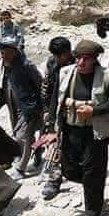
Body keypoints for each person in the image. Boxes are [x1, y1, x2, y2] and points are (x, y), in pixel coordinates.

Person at [40, 40, 109, 216]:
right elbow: (56, 101)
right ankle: (93, 185)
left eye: (86, 59)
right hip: (70, 130)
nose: (81, 63)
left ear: (95, 60)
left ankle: (92, 212)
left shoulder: (106, 76)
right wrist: (51, 128)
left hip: (95, 133)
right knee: (69, 170)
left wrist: (94, 111)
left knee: (93, 172)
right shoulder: (65, 73)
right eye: (78, 58)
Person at [0, 37, 43, 180]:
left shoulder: (27, 65)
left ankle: (21, 168)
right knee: (24, 134)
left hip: (28, 108)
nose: (4, 55)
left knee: (23, 137)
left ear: (15, 51)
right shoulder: (5, 64)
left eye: (7, 52)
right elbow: (4, 86)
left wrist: (41, 108)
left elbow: (41, 86)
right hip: (13, 106)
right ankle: (37, 151)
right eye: (2, 52)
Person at [38, 36, 74, 200]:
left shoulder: (78, 64)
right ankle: (53, 180)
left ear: (68, 53)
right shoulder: (52, 63)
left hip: (72, 110)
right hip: (54, 110)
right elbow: (46, 86)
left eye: (60, 55)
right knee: (53, 145)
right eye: (55, 55)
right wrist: (46, 110)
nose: (58, 59)